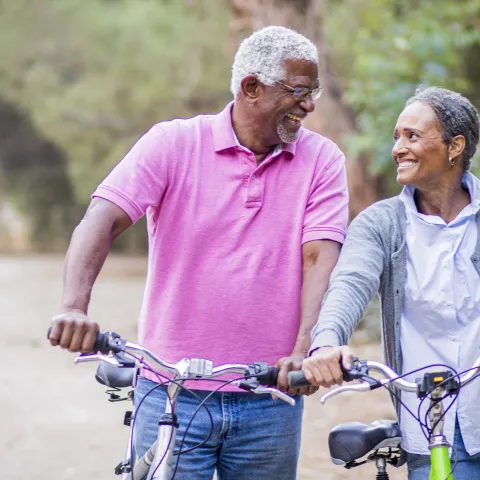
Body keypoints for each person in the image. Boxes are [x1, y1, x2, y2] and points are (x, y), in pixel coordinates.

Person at [48, 26, 349, 479]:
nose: (309, 105)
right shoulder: (173, 143)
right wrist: (74, 307)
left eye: (314, 92)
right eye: (299, 91)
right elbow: (101, 219)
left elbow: (318, 257)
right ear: (251, 87)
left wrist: (304, 349)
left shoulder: (322, 160)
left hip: (271, 397)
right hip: (171, 392)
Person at [302, 86, 480, 479]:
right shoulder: (381, 224)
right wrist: (327, 342)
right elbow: (349, 283)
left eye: (412, 136)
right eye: (396, 136)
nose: (398, 147)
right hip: (430, 424)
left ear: (455, 146)